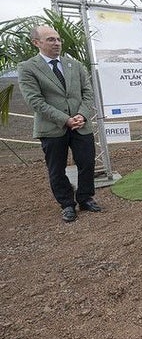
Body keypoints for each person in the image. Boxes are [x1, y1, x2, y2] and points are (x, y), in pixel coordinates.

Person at [18, 25, 102, 223]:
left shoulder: (75, 65)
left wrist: (81, 114)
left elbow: (87, 93)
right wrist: (65, 119)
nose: (57, 43)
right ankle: (67, 204)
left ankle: (85, 198)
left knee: (87, 162)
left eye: (58, 39)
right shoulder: (28, 68)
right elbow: (35, 101)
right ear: (36, 42)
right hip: (52, 128)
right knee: (57, 168)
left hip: (81, 125)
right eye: (50, 40)